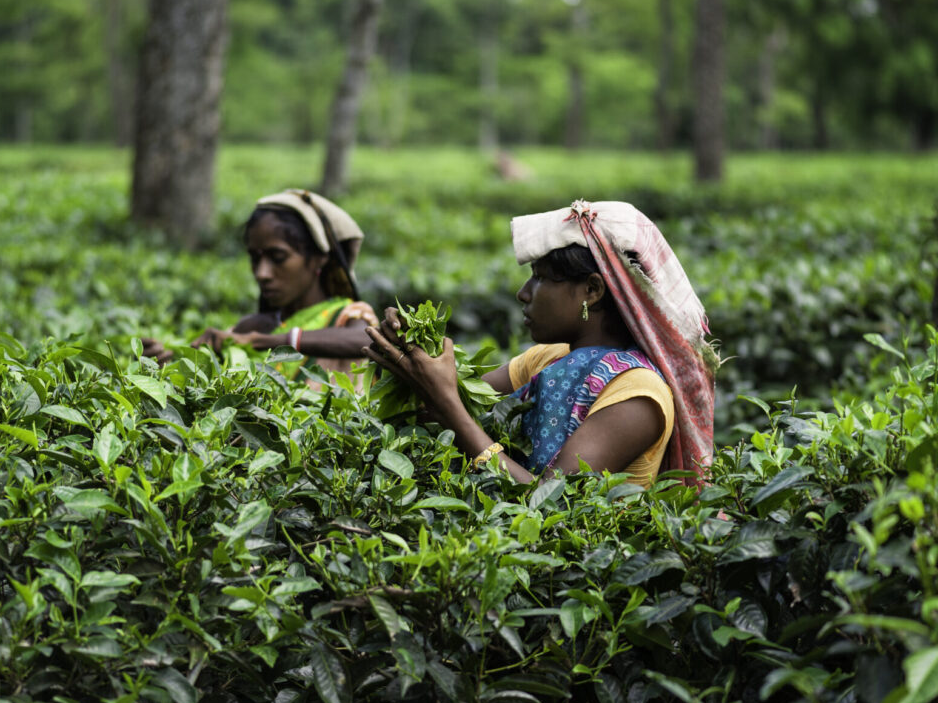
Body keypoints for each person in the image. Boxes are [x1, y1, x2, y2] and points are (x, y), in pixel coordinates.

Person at [363, 200, 717, 487]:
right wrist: (409, 343)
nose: (524, 293)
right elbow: (439, 404)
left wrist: (448, 406)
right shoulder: (547, 359)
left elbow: (548, 502)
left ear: (592, 290)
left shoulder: (637, 393)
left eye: (542, 278)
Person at [142, 189, 379, 383]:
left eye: (278, 257)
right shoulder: (251, 327)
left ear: (319, 257)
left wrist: (265, 342)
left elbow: (367, 341)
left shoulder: (348, 317)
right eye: (255, 258)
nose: (262, 273)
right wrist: (162, 366)